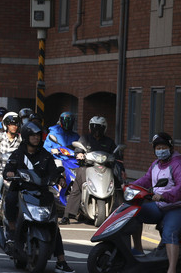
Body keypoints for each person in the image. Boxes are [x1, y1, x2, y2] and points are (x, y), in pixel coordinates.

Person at [2, 122, 75, 273]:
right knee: (10, 198)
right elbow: (8, 169)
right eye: (32, 136)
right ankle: (11, 230)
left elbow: (54, 171)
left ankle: (61, 261)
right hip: (21, 189)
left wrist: (60, 178)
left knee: (54, 224)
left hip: (41, 192)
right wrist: (10, 173)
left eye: (37, 136)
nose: (36, 138)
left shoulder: (45, 155)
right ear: (26, 137)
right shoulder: (18, 154)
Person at [130, 133, 181, 273]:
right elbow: (146, 180)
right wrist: (130, 186)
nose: (161, 150)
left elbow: (180, 187)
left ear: (170, 148)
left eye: (164, 147)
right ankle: (138, 250)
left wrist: (164, 196)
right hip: (159, 206)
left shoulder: (177, 164)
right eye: (158, 147)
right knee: (134, 213)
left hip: (175, 207)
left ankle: (172, 269)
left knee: (170, 232)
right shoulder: (155, 165)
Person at [60, 116, 122, 224]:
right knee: (77, 185)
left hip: (105, 168)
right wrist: (79, 154)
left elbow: (117, 155)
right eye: (94, 127)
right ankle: (67, 215)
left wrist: (121, 166)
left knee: (119, 184)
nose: (97, 130)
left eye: (100, 127)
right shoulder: (85, 139)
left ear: (105, 129)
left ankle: (122, 213)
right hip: (87, 167)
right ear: (90, 127)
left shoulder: (109, 142)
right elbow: (78, 149)